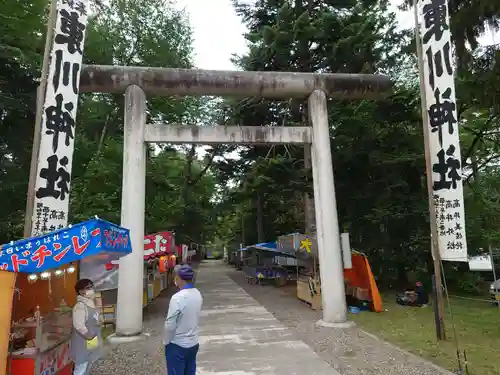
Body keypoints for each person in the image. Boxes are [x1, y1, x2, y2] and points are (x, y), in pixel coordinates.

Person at [164, 264, 203, 375]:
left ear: (180, 279)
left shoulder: (177, 298)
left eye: (176, 277)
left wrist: (166, 342)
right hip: (193, 343)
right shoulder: (197, 294)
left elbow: (170, 325)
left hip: (177, 345)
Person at [71, 279, 103, 375]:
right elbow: (79, 325)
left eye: (91, 287)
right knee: (80, 367)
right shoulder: (80, 306)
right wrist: (88, 336)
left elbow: (97, 319)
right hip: (83, 342)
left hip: (91, 340)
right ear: (80, 291)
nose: (91, 290)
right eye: (88, 288)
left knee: (88, 364)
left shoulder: (91, 303)